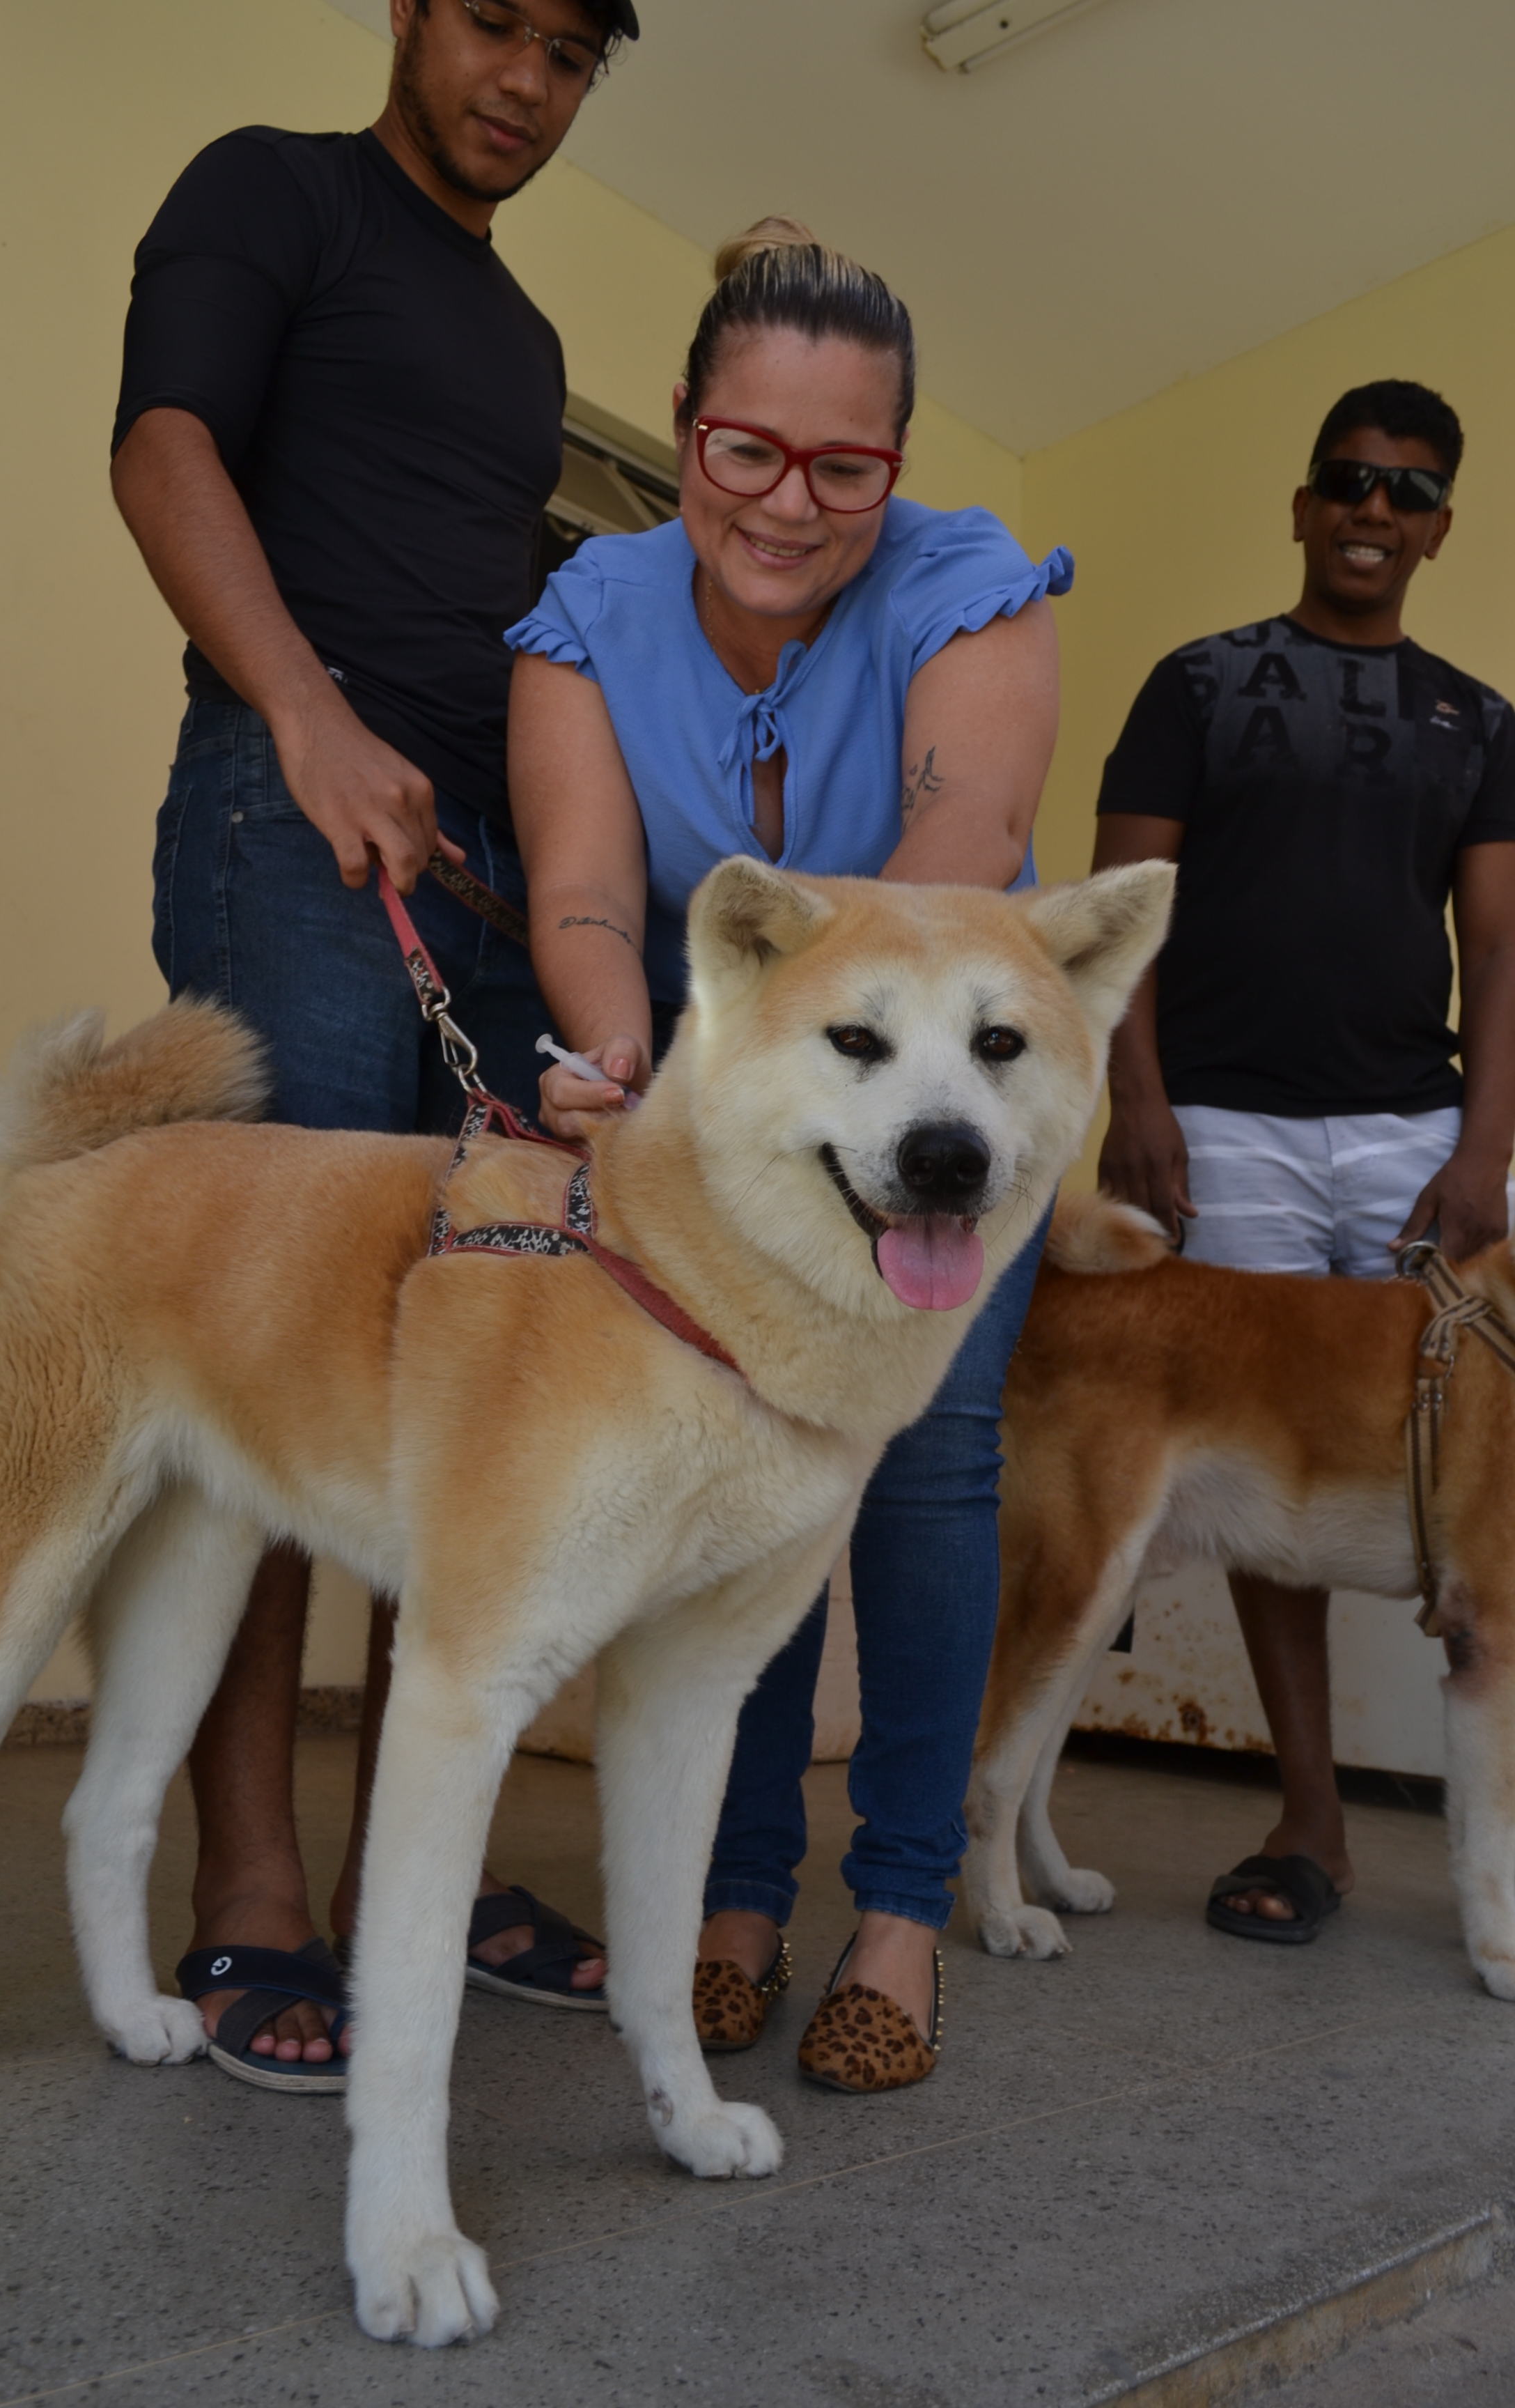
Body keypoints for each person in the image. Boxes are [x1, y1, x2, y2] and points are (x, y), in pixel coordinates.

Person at [108, 0, 639, 2085]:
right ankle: (251, 1886)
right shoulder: (274, 186)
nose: (525, 77)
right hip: (287, 812)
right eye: (493, 22)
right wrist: (314, 721)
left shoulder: (521, 349)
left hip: (483, 878)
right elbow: (164, 451)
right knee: (283, 1357)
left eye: (574, 53)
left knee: (474, 1373)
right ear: (413, 15)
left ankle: (421, 1865)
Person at [506, 219, 1071, 2090]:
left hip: (932, 1092)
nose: (790, 503)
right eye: (747, 449)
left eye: (848, 465)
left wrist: (850, 1085)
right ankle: (735, 1894)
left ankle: (901, 1907)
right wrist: (616, 1051)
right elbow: (587, 890)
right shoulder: (589, 612)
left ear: (898, 470)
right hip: (728, 1110)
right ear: (684, 428)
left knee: (921, 1474)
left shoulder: (967, 582)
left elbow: (965, 829)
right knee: (733, 1475)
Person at [1092, 379, 1515, 1943]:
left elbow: (1503, 944)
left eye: (1407, 491)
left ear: (1440, 528)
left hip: (1419, 1134)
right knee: (1263, 1464)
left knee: (1490, 1455)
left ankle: (1499, 1832)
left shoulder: (1479, 719)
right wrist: (1138, 1105)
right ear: (1302, 503)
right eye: (1347, 480)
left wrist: (1487, 1148)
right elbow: (1118, 916)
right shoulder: (1198, 684)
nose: (1372, 510)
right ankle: (1312, 1820)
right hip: (1226, 1123)